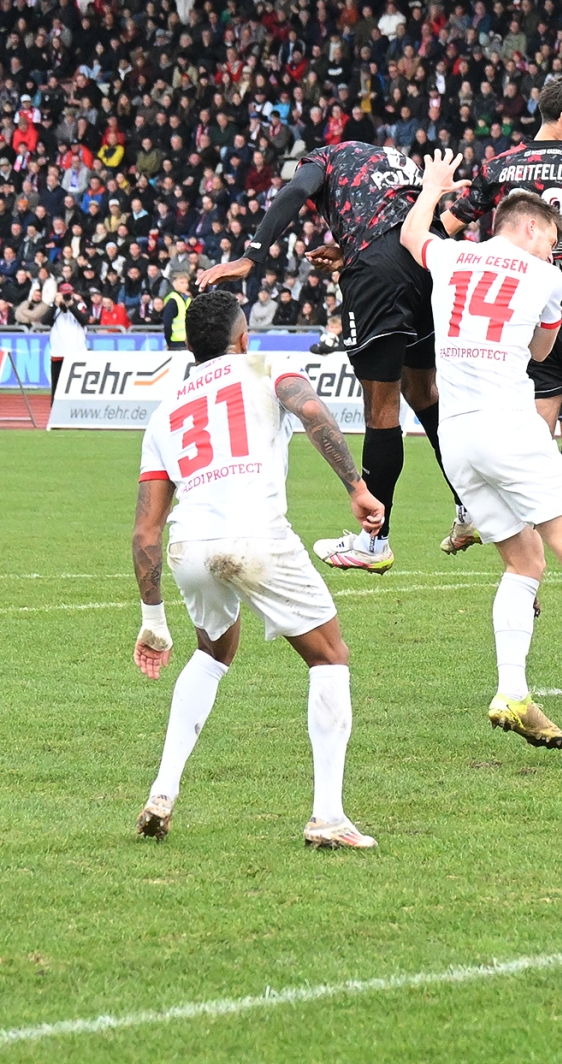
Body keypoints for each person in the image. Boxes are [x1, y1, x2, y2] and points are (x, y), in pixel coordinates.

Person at [400, 151, 562, 752]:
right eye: (552, 241)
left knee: (523, 562)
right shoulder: (546, 278)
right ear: (531, 227)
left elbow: (411, 236)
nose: (554, 252)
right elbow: (541, 352)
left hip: (457, 439)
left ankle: (512, 691)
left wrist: (433, 188)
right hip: (510, 425)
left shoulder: (451, 256)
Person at [131, 288, 383, 849]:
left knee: (212, 652)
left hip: (190, 546)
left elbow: (146, 531)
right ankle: (328, 816)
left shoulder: (164, 412)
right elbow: (310, 410)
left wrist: (153, 620)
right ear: (243, 338)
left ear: (191, 347)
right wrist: (357, 487)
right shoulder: (267, 367)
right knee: (329, 656)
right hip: (257, 536)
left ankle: (162, 792)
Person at [199, 140, 465, 572]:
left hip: (379, 272)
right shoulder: (393, 160)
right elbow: (404, 220)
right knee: (424, 393)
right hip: (428, 263)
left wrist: (252, 256)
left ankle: (374, 542)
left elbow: (295, 191)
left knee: (381, 409)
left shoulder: (323, 159)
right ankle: (469, 505)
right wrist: (349, 249)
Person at [441, 77, 562, 602]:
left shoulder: (498, 166)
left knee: (530, 447)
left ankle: (524, 580)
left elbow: (448, 225)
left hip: (526, 324)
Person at [156, 267, 192, 349]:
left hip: (188, 341)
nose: (185, 285)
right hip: (176, 342)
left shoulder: (188, 299)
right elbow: (167, 323)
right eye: (182, 282)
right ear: (174, 283)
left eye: (186, 283)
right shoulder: (172, 300)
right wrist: (168, 342)